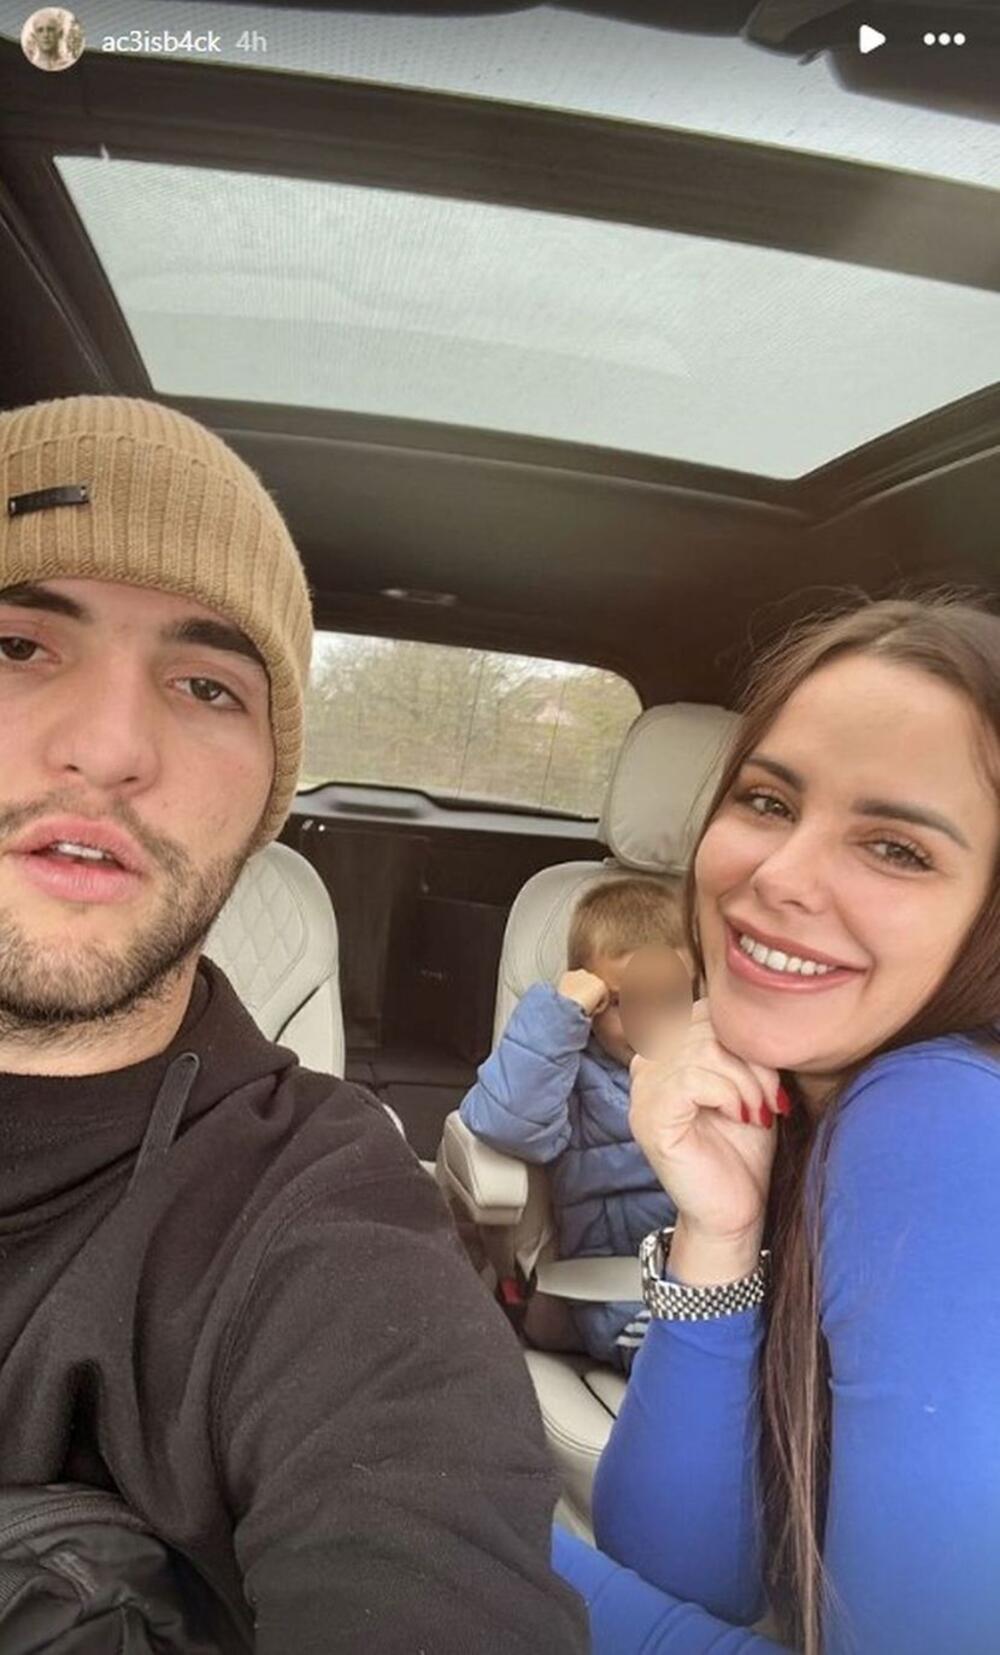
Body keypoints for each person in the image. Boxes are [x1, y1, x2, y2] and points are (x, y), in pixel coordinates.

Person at [0, 395, 587, 1655]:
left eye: (206, 683)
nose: (107, 745)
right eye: (17, 643)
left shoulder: (331, 1233)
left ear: (269, 782)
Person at [553, 593, 1000, 1655]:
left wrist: (446, 1527)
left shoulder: (940, 1117)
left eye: (895, 848)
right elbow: (680, 1569)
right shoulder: (826, 1103)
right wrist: (719, 1228)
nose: (779, 876)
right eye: (766, 799)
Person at [460, 875, 693, 1370]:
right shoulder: (572, 1070)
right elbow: (505, 1123)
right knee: (690, 1362)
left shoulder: (712, 1060)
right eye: (623, 1001)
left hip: (719, 1276)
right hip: (619, 1289)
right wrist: (563, 1013)